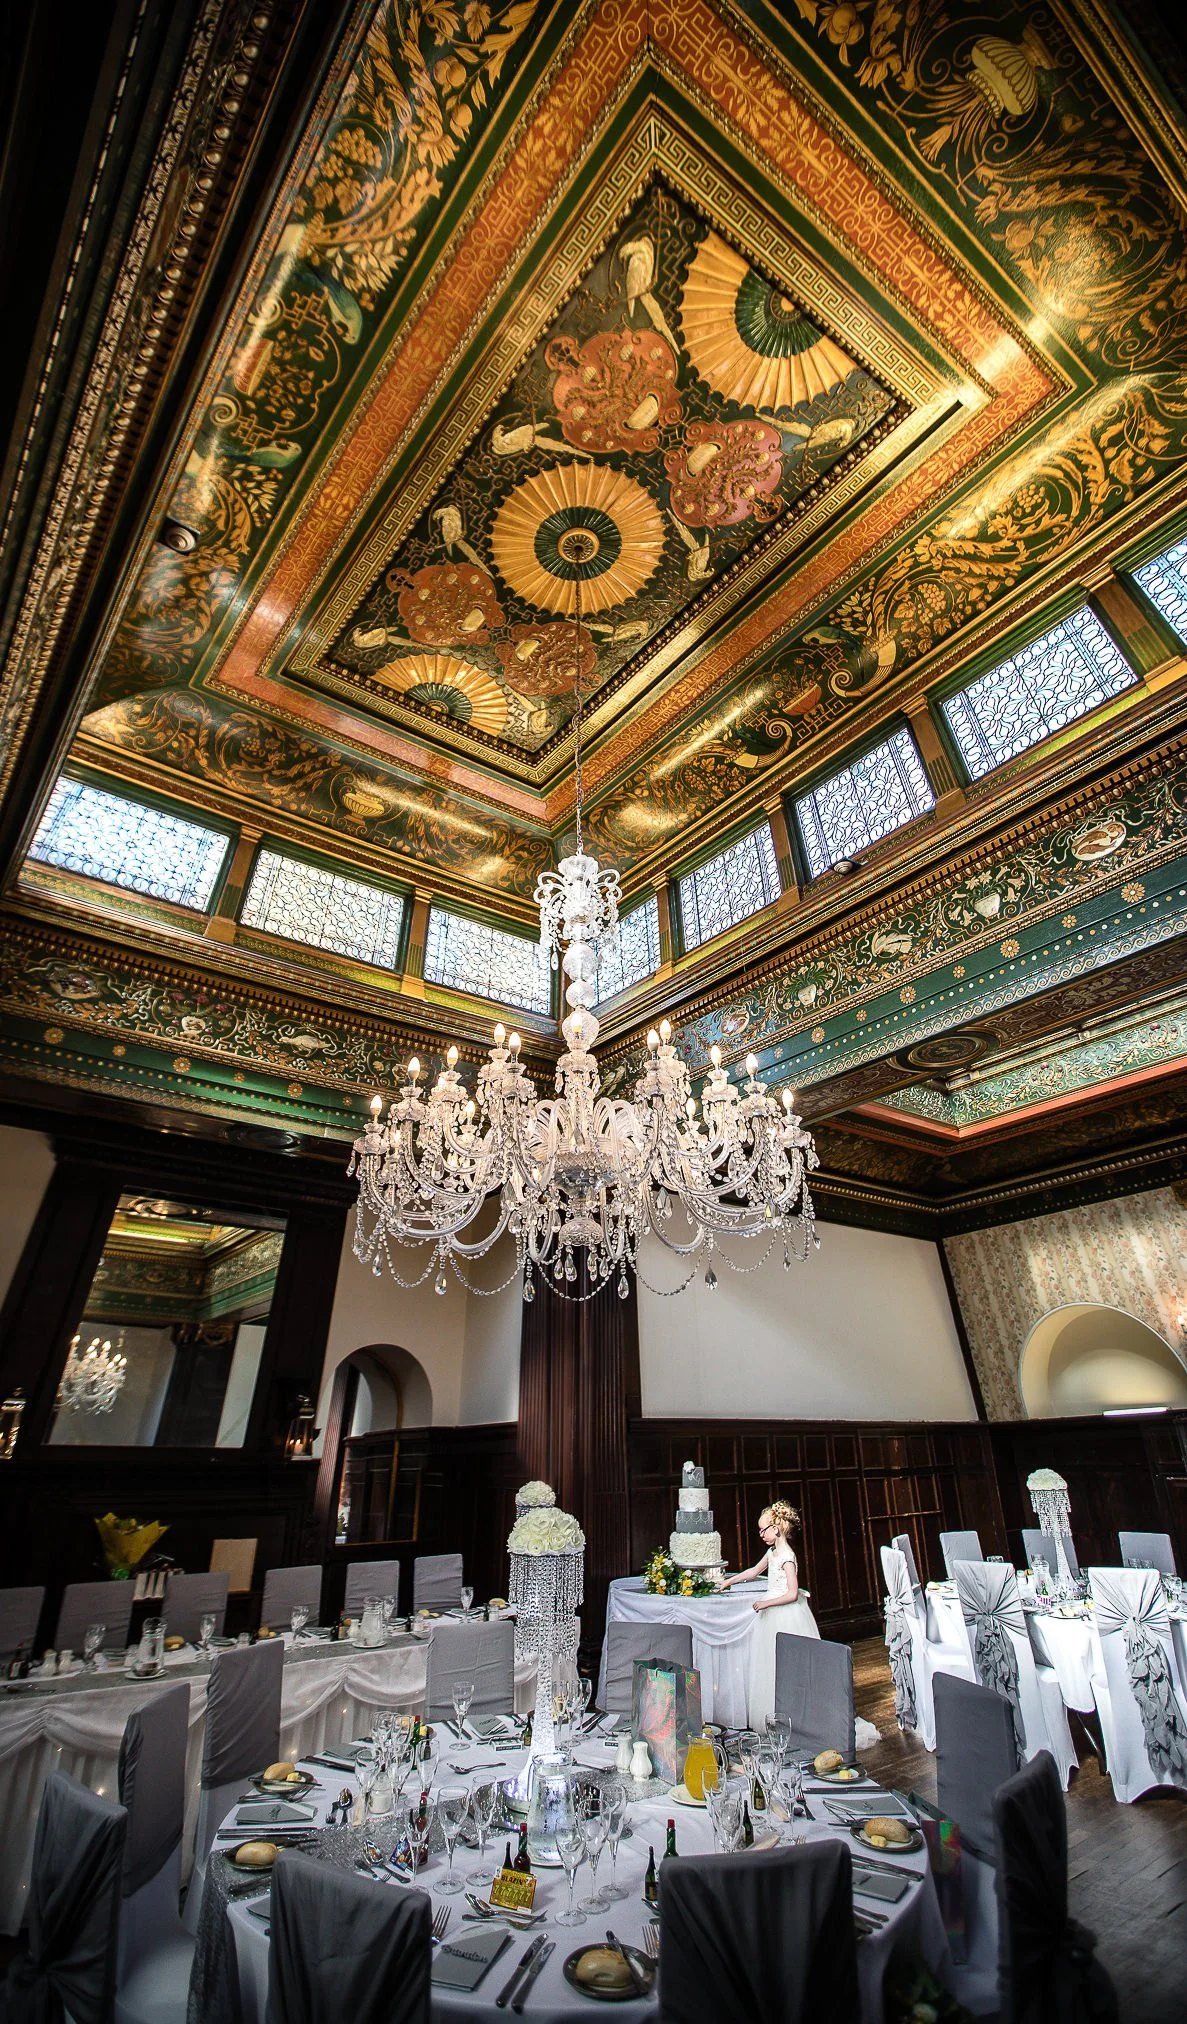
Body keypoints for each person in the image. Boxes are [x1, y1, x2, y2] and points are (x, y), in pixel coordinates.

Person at [723, 1500, 819, 1731]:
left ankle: (795, 1719)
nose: (761, 1534)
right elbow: (754, 1571)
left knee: (788, 1668)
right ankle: (774, 1719)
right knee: (767, 1667)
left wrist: (766, 1603)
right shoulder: (772, 1552)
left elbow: (793, 1593)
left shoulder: (786, 1556)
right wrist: (729, 1581)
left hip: (786, 1616)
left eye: (763, 1530)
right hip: (771, 1617)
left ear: (775, 1529)